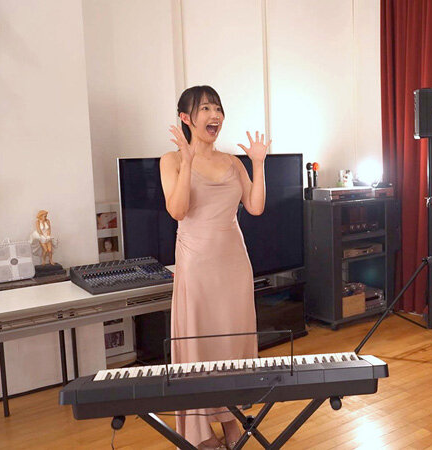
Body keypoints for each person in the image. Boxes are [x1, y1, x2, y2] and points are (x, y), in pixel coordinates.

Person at [160, 85, 270, 450]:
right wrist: (188, 160)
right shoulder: (171, 161)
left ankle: (232, 422)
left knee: (232, 345)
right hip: (196, 264)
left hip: (234, 264)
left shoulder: (233, 162)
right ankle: (201, 434)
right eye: (206, 108)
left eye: (218, 108)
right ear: (186, 118)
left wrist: (257, 163)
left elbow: (255, 207)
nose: (215, 115)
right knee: (199, 346)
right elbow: (178, 210)